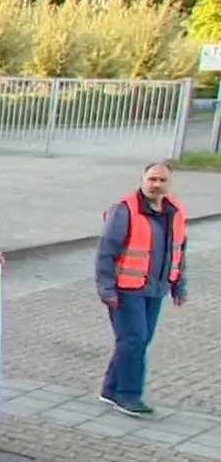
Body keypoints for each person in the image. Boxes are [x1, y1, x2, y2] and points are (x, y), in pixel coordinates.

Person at [95, 161, 186, 417]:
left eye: (162, 180)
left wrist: (178, 284)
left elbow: (179, 249)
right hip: (127, 289)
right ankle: (129, 394)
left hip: (156, 289)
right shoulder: (125, 210)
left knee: (137, 340)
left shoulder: (175, 211)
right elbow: (106, 252)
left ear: (169, 183)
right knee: (133, 339)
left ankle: (111, 389)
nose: (156, 185)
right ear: (143, 179)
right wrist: (106, 289)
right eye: (152, 179)